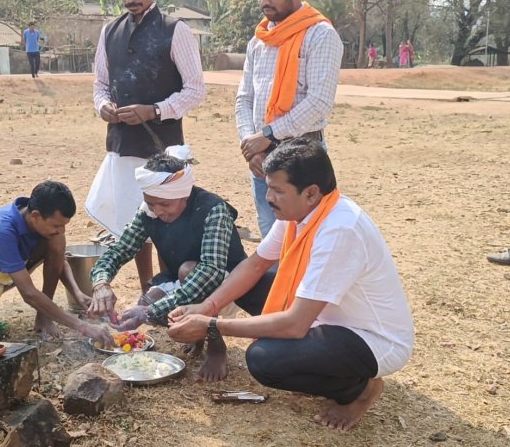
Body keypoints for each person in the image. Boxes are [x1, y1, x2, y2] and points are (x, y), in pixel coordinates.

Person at [168, 138, 415, 431]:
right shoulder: (298, 212)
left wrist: (211, 325)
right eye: (268, 187)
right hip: (322, 315)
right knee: (246, 282)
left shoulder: (340, 229)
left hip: (371, 338)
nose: (268, 197)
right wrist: (207, 306)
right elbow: (255, 264)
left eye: (278, 190)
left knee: (264, 361)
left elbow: (296, 324)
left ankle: (359, 391)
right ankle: (316, 366)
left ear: (311, 193)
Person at [86, 0, 206, 291]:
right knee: (133, 223)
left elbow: (195, 90)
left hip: (162, 146)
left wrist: (154, 110)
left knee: (168, 221)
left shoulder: (175, 30)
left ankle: (170, 289)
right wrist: (103, 106)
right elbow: (100, 84)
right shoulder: (109, 31)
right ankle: (146, 291)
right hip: (123, 145)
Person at [87, 147, 248, 381]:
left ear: (183, 195)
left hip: (229, 286)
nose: (158, 211)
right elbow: (120, 250)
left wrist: (150, 312)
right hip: (186, 280)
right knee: (148, 300)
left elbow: (210, 273)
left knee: (185, 274)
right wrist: (101, 283)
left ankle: (216, 347)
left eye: (164, 205)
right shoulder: (150, 210)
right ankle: (197, 335)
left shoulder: (213, 210)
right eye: (151, 204)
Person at [235, 0, 342, 238]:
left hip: (303, 160)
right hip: (262, 162)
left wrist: (268, 135)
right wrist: (251, 144)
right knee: (273, 242)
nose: (263, 2)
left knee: (310, 240)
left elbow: (319, 103)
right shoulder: (259, 40)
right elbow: (244, 99)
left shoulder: (320, 35)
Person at [0, 181, 112, 346]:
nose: (62, 230)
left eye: (64, 225)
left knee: (57, 240)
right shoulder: (0, 231)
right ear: (36, 216)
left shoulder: (36, 221)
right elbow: (29, 293)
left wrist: (77, 293)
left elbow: (60, 261)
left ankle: (43, 316)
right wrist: (82, 327)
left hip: (17, 266)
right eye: (56, 224)